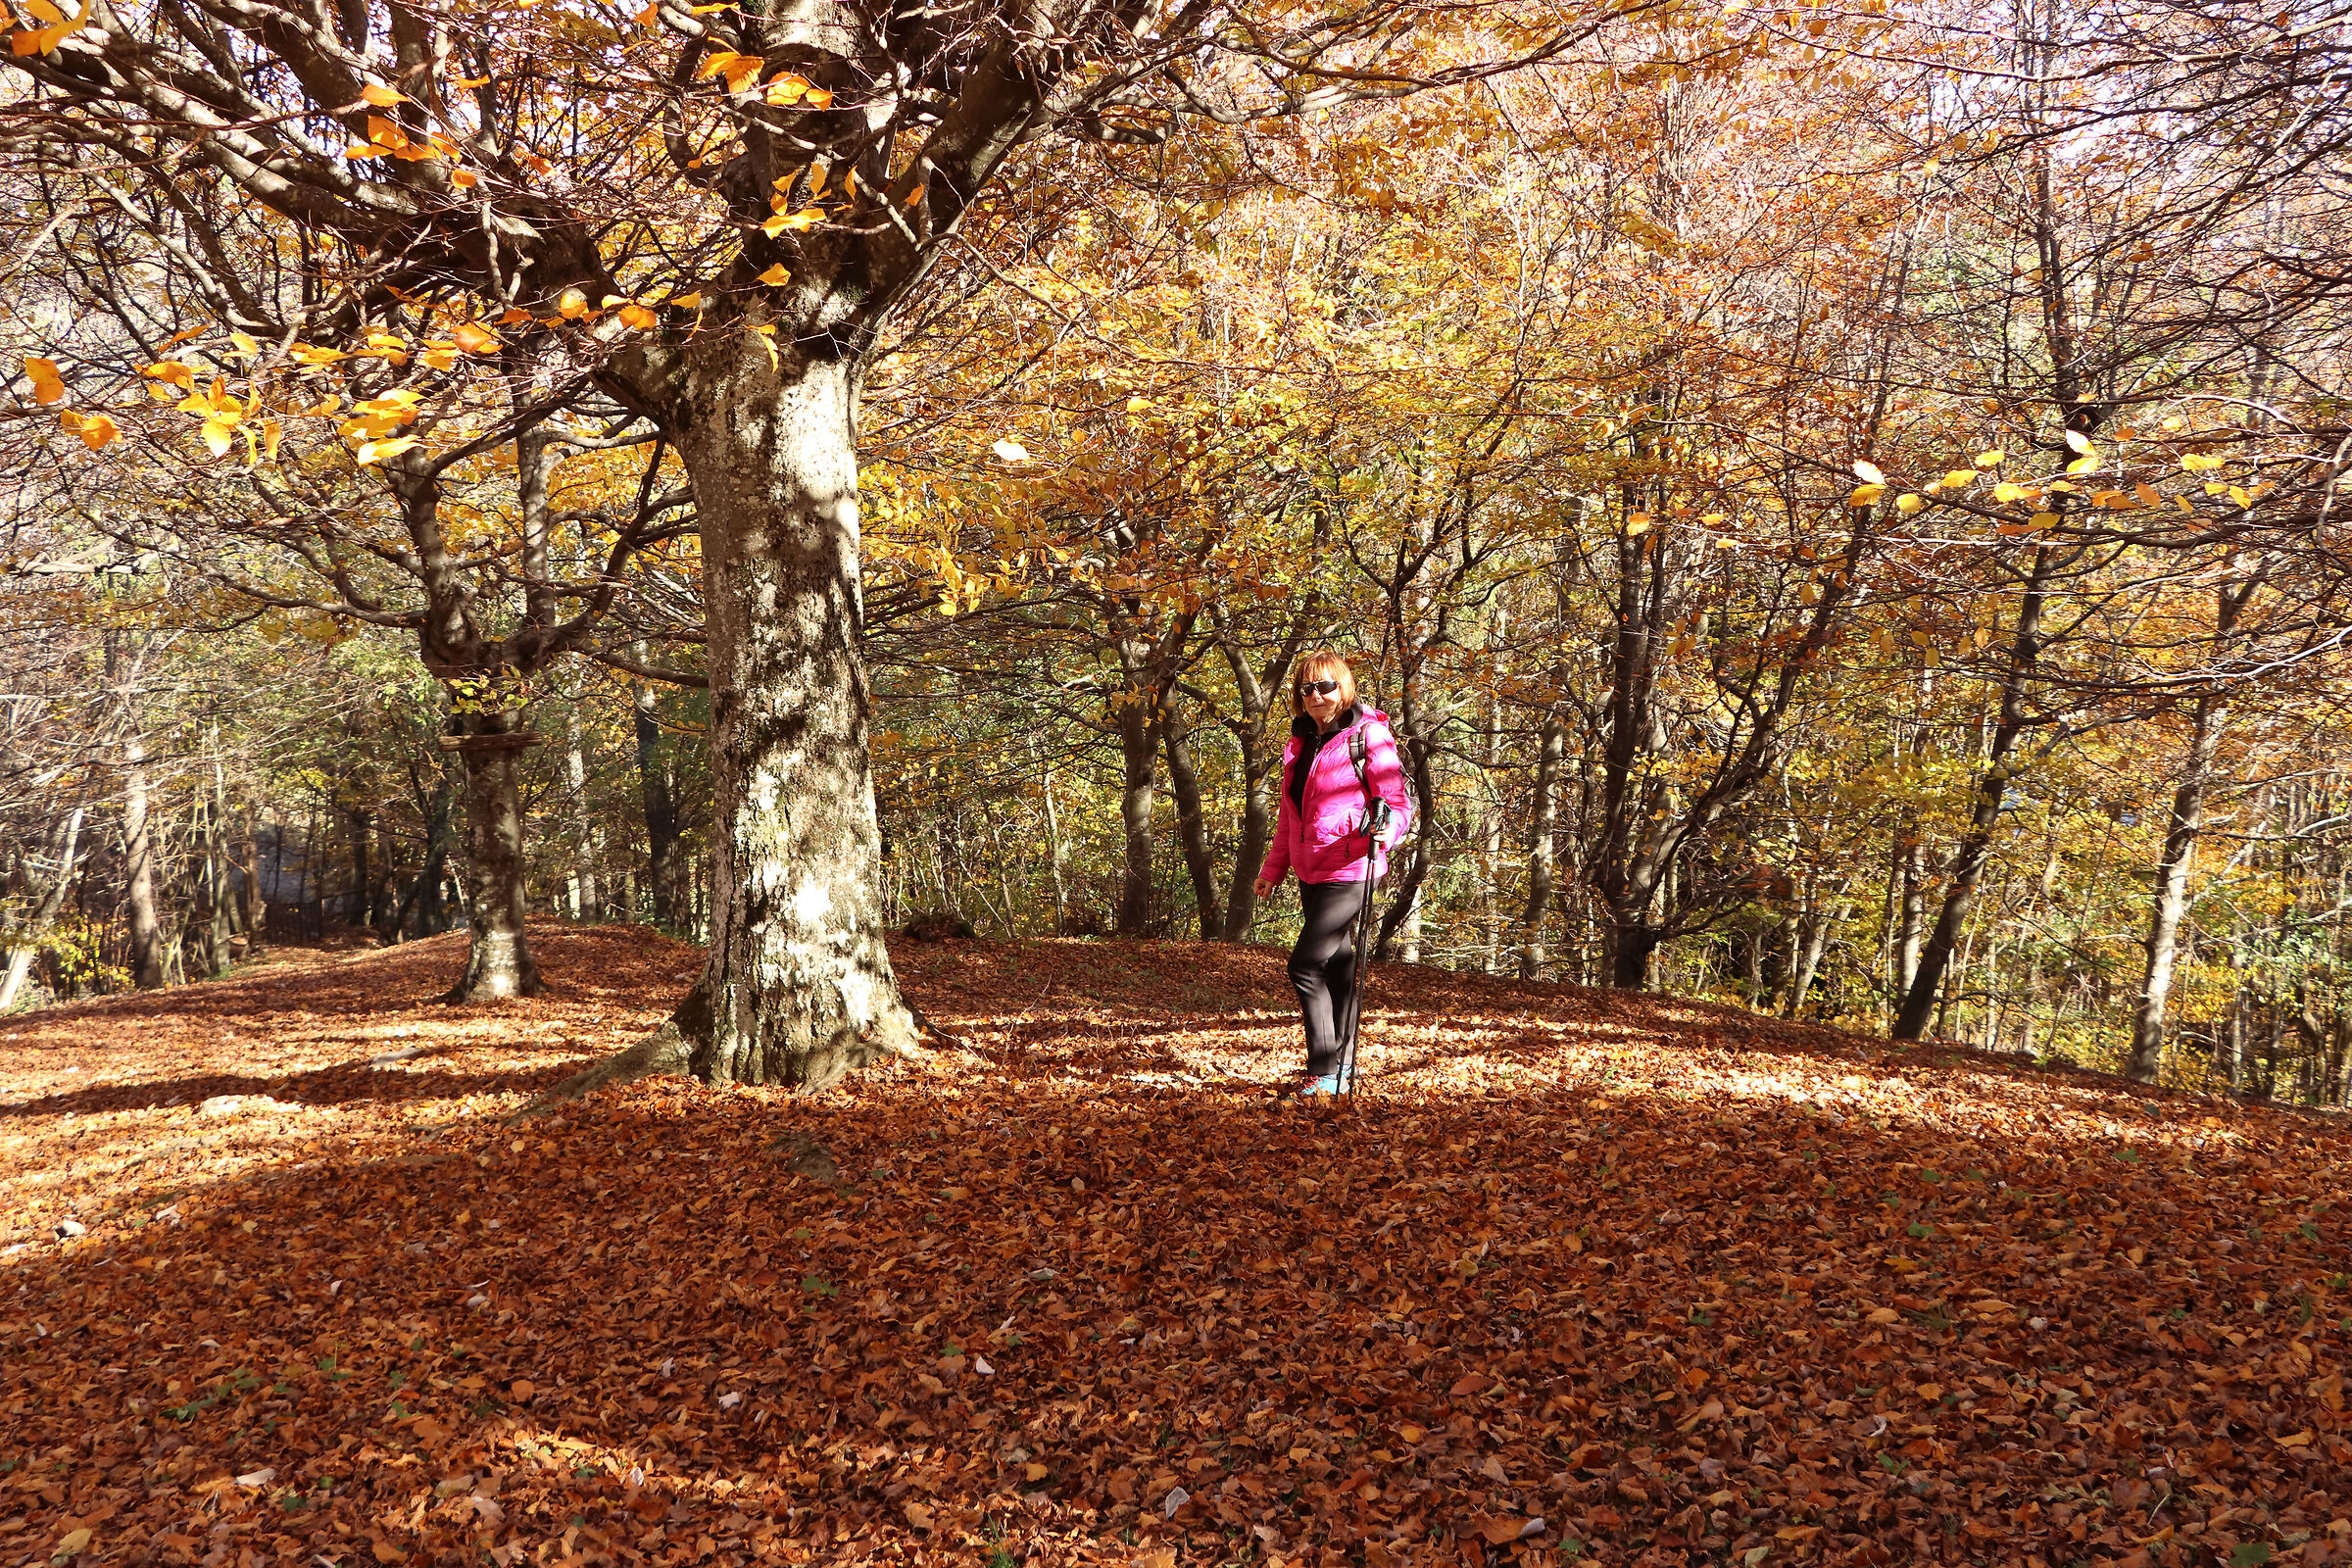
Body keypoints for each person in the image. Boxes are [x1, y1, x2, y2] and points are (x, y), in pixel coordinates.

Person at [1251, 650, 1413, 1098]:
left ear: (1344, 688)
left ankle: (1324, 1068)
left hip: (1352, 867)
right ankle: (1343, 1064)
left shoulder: (1369, 736)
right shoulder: (1302, 744)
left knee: (1305, 966)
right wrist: (1273, 869)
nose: (1316, 695)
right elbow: (1291, 816)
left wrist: (1388, 828)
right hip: (1310, 870)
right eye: (1307, 688)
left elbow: (1397, 804)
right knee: (1339, 967)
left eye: (1326, 686)